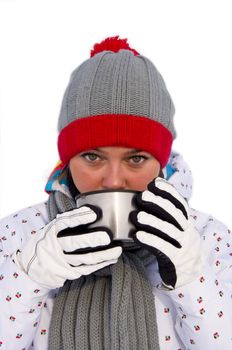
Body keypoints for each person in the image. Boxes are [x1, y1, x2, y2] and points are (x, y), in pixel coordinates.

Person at [0, 36, 231, 350]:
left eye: (136, 159)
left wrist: (192, 281)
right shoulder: (18, 235)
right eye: (93, 157)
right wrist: (28, 278)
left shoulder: (209, 238)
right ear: (67, 160)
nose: (112, 180)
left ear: (161, 163)